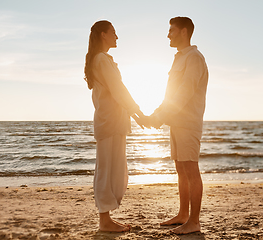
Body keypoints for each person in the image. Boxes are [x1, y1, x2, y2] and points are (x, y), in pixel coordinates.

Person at [84, 20, 147, 232]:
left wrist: (134, 113)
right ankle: (104, 221)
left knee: (114, 170)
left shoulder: (104, 59)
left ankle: (107, 218)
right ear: (103, 35)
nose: (116, 37)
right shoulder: (101, 59)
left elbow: (118, 90)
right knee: (106, 171)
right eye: (113, 33)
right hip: (109, 122)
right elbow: (118, 89)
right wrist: (138, 113)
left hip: (115, 123)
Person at [149, 16, 209, 234]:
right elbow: (171, 94)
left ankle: (194, 222)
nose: (168, 34)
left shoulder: (194, 58)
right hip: (176, 122)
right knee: (181, 169)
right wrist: (158, 113)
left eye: (171, 30)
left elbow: (185, 92)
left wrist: (161, 117)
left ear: (184, 31)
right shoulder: (179, 58)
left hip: (188, 122)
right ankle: (183, 214)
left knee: (191, 169)